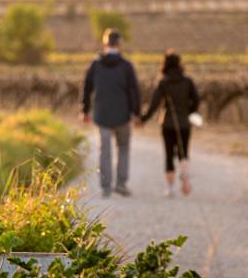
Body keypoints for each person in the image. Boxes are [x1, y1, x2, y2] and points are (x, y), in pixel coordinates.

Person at [81, 29, 141, 198]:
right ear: (119, 44)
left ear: (104, 44)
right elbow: (134, 91)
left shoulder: (95, 64)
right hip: (123, 114)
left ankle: (106, 188)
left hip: (101, 115)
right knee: (123, 148)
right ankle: (121, 184)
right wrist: (136, 113)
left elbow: (86, 88)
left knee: (104, 152)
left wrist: (85, 110)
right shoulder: (126, 66)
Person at [141, 51, 200, 197]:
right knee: (183, 152)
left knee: (168, 155)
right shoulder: (187, 81)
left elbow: (154, 104)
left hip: (167, 123)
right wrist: (189, 111)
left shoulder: (163, 82)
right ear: (179, 64)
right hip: (184, 123)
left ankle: (170, 187)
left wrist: (143, 119)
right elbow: (197, 100)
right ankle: (185, 181)